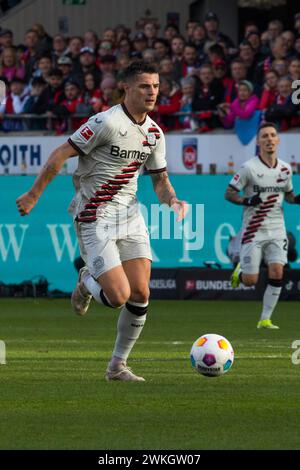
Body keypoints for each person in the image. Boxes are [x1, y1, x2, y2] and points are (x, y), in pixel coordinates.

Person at [16, 60, 187, 381]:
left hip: (131, 216)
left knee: (141, 294)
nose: (152, 92)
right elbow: (59, 155)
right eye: (145, 86)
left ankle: (117, 367)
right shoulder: (105, 122)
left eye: (156, 86)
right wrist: (33, 194)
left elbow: (160, 182)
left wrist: (173, 200)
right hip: (95, 216)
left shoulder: (154, 133)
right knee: (117, 296)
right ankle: (86, 280)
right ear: (126, 87)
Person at [225, 122, 300, 329]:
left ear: (278, 140)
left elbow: (289, 196)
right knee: (250, 280)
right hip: (253, 230)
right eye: (264, 136)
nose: (269, 139)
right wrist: (247, 201)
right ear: (258, 142)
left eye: (272, 135)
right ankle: (239, 273)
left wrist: (297, 199)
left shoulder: (285, 169)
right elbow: (229, 193)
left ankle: (265, 319)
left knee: (277, 272)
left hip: (277, 229)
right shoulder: (249, 168)